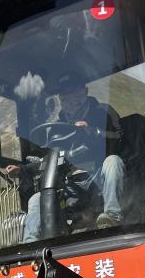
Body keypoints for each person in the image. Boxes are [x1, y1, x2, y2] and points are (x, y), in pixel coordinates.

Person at [9, 72, 126, 243]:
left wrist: (92, 132)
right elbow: (50, 158)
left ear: (84, 92)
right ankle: (30, 242)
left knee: (113, 162)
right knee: (36, 199)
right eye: (64, 100)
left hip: (99, 175)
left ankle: (112, 217)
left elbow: (119, 137)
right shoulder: (59, 126)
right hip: (72, 183)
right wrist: (23, 169)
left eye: (73, 98)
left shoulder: (102, 112)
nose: (69, 105)